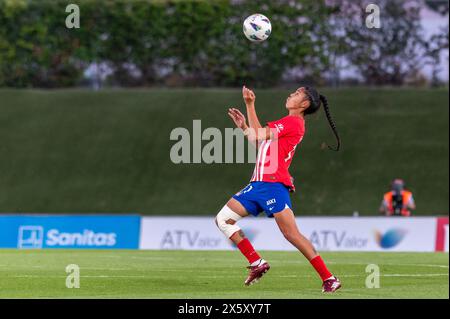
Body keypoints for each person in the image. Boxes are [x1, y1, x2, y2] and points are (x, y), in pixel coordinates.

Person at [215, 85, 342, 293]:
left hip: (273, 185)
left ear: (304, 104)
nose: (291, 94)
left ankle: (329, 278)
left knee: (292, 234)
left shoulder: (293, 122)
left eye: (297, 94)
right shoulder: (288, 123)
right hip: (258, 185)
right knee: (223, 220)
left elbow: (259, 135)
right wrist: (244, 128)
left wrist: (250, 104)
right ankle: (256, 263)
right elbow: (261, 143)